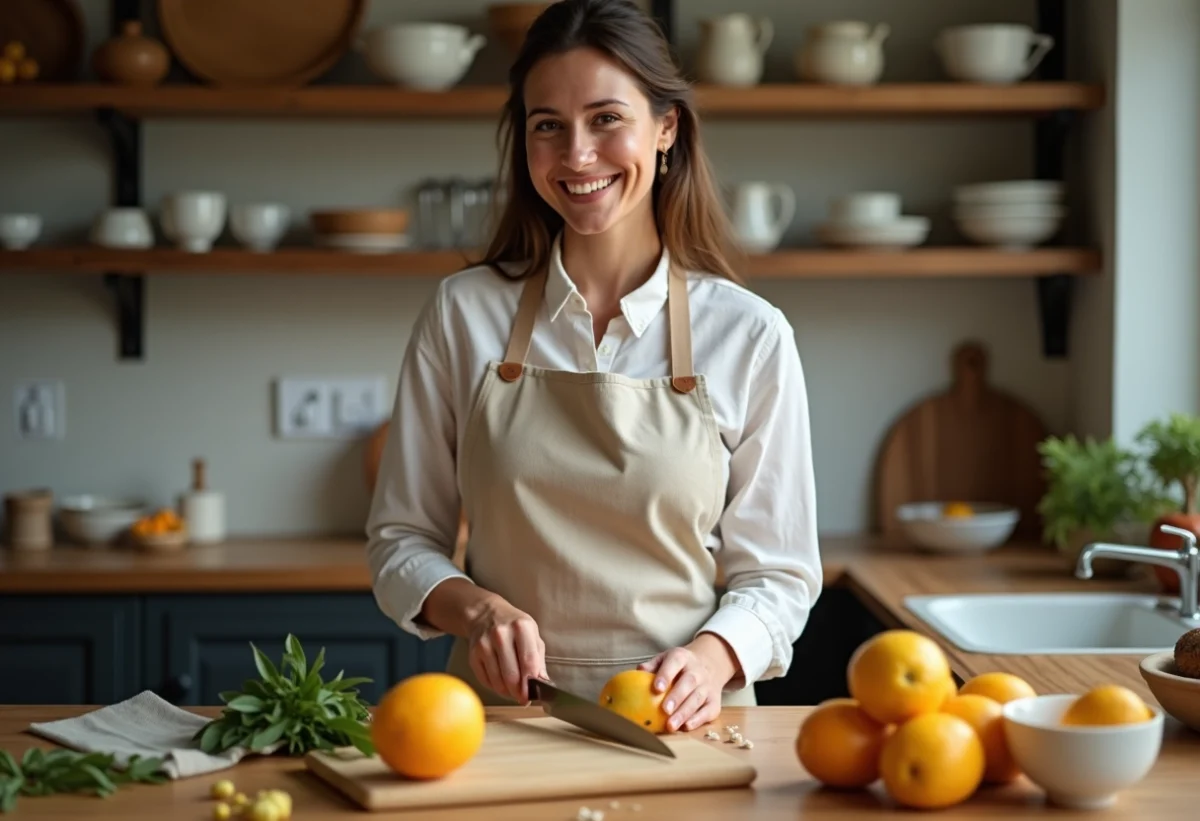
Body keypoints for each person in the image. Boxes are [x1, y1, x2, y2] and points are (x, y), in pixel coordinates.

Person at [366, 0, 821, 733]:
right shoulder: (461, 314)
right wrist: (477, 611)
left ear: (666, 127)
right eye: (548, 126)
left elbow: (780, 574)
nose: (577, 156)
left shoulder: (751, 334)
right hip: (496, 722)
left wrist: (710, 657)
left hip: (686, 727)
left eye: (607, 118)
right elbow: (399, 540)